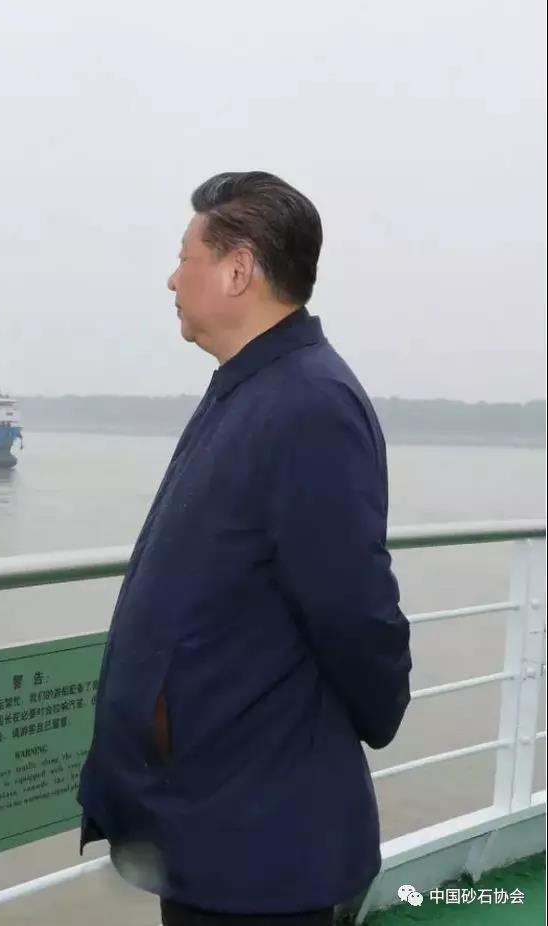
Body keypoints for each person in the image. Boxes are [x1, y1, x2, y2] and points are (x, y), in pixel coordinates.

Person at [78, 171, 412, 926]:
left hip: (259, 837)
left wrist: (378, 712)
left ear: (237, 270)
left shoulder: (307, 404)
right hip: (212, 813)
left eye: (184, 257)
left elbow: (353, 610)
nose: (172, 279)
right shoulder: (252, 387)